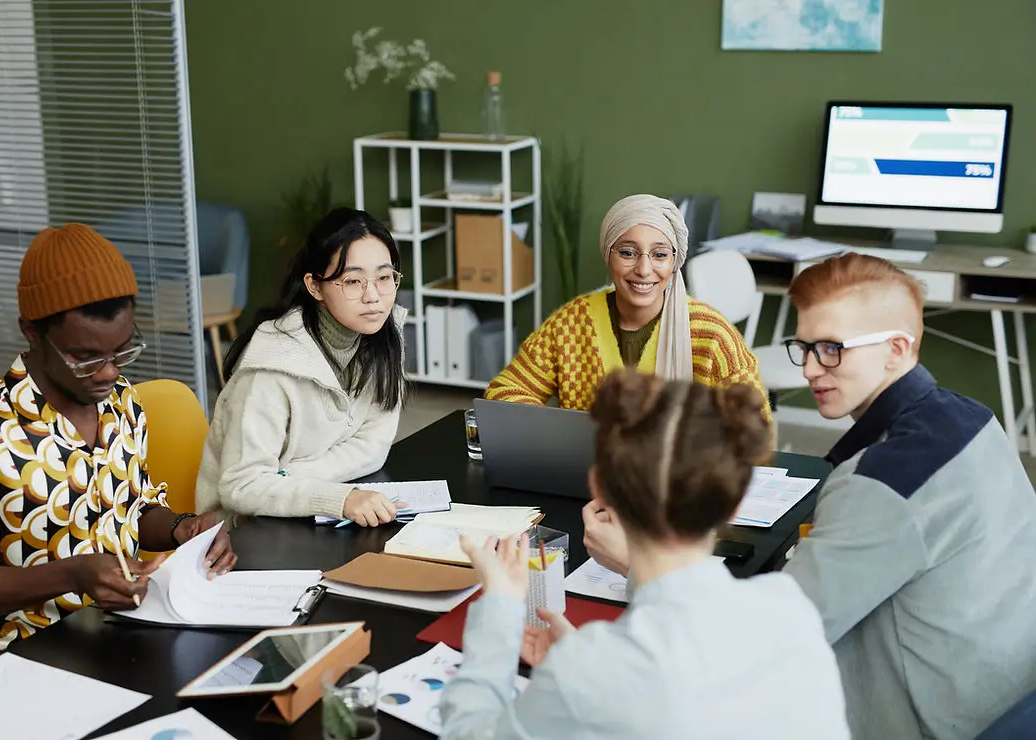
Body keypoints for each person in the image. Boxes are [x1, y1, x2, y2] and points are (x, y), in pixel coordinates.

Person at [439, 370, 848, 739]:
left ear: (601, 487)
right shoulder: (792, 608)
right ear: (737, 503)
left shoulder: (595, 668)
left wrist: (498, 610)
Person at [0, 223, 236, 663]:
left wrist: (181, 528)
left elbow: (133, 508)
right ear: (32, 332)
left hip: (133, 636)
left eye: (122, 351)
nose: (108, 372)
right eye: (86, 357)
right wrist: (72, 575)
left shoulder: (122, 401)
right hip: (36, 660)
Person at [775, 253, 1036, 739]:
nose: (810, 368)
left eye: (831, 348)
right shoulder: (974, 416)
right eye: (804, 346)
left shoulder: (882, 482)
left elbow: (775, 637)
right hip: (1013, 690)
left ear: (897, 349)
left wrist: (648, 565)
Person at [195, 207, 407, 526]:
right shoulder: (270, 368)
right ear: (315, 286)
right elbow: (242, 485)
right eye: (353, 281)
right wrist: (339, 498)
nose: (374, 296)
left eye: (384, 277)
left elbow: (372, 447)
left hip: (308, 518)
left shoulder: (383, 335)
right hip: (241, 537)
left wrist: (287, 478)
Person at [484, 194, 770, 422]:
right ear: (608, 255)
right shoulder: (569, 324)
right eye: (627, 252)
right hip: (586, 482)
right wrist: (553, 434)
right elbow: (505, 393)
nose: (644, 269)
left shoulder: (711, 335)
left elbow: (754, 424)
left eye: (659, 254)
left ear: (674, 263)